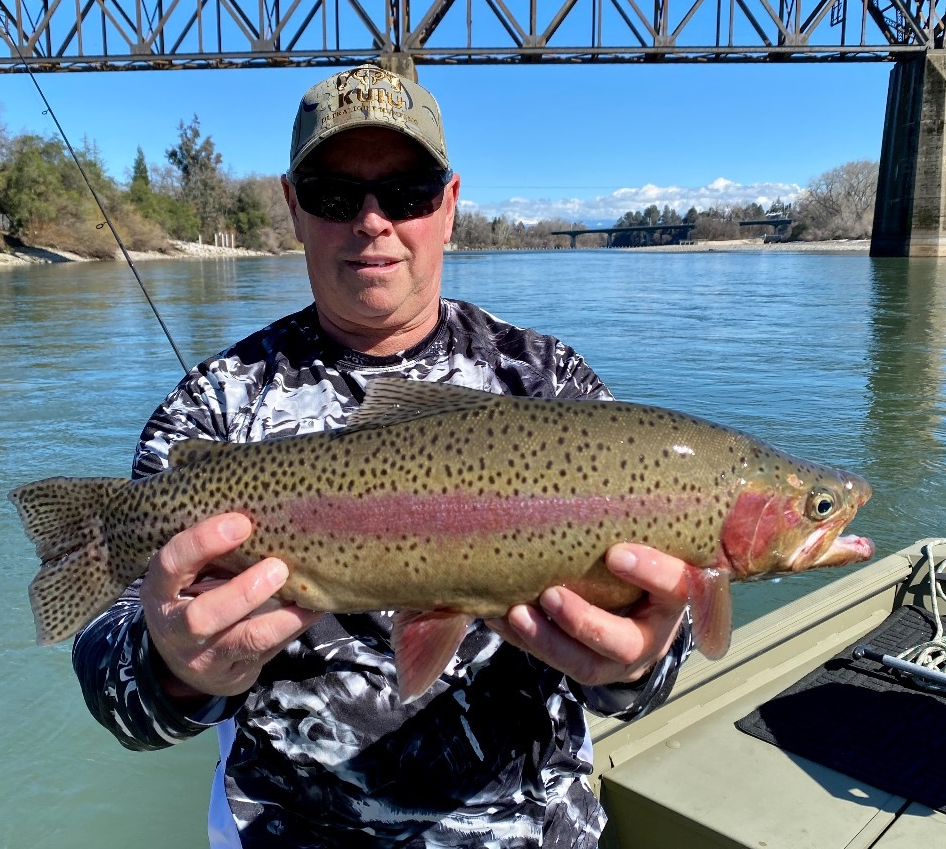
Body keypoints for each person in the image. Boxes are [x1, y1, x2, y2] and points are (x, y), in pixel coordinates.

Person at [72, 63, 693, 849]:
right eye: (337, 194)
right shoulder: (213, 411)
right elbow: (115, 691)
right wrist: (171, 666)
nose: (373, 222)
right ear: (294, 207)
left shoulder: (549, 387)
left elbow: (643, 684)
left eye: (406, 194)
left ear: (450, 205)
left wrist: (638, 663)